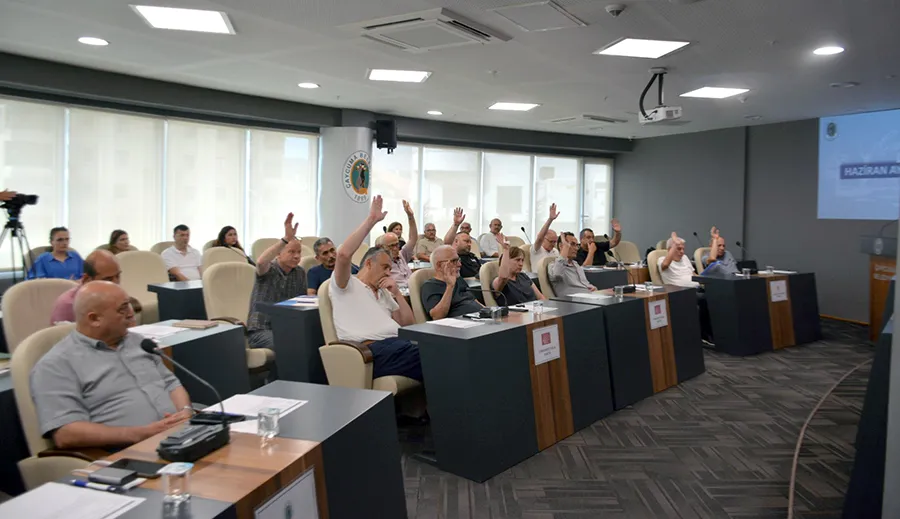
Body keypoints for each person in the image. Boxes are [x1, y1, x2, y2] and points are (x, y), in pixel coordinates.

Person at [30, 281, 191, 449]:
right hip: (128, 451)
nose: (131, 313)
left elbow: (172, 384)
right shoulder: (56, 365)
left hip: (181, 436)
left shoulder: (140, 343)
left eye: (129, 304)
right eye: (122, 309)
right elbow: (67, 433)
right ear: (95, 319)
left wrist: (185, 412)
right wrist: (141, 433)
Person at [330, 195, 422, 382]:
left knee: (444, 352)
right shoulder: (346, 285)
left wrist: (396, 293)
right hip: (372, 351)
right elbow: (343, 254)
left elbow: (409, 325)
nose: (389, 272)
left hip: (398, 345)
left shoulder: (384, 291)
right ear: (369, 264)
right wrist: (371, 220)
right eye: (385, 267)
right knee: (437, 356)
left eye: (390, 268)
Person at [246, 213, 307, 350]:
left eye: (299, 252)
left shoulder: (300, 272)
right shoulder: (269, 269)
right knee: (288, 344)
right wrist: (286, 239)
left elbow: (302, 302)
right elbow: (261, 262)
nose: (297, 256)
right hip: (261, 329)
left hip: (285, 327)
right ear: (279, 254)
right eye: (291, 252)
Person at [50, 250, 142, 325]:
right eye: (108, 279)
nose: (116, 284)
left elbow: (131, 330)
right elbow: (62, 343)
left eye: (118, 276)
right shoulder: (67, 305)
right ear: (87, 279)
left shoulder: (120, 299)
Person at [659, 232, 712, 343]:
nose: (682, 252)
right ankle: (704, 335)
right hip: (680, 292)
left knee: (716, 295)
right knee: (704, 299)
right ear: (670, 249)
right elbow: (665, 265)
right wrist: (675, 243)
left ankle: (716, 332)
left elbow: (694, 275)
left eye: (683, 249)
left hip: (696, 288)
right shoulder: (662, 260)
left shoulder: (685, 258)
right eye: (678, 248)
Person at [421, 245, 484, 319]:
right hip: (459, 325)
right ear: (439, 265)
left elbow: (474, 301)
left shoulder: (459, 279)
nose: (459, 264)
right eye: (454, 261)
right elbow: (437, 316)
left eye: (459, 260)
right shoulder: (430, 286)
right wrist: (450, 286)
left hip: (479, 318)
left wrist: (489, 312)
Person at [376, 200, 419, 288]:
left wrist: (410, 216)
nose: (396, 248)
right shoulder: (380, 263)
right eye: (391, 246)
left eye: (397, 244)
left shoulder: (402, 254)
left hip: (412, 290)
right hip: (397, 294)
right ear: (382, 247)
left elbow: (413, 238)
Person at [492, 235, 545, 305]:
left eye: (522, 260)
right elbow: (503, 277)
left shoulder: (524, 277)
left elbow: (540, 297)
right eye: (517, 260)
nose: (521, 264)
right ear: (506, 261)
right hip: (515, 314)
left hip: (534, 311)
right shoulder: (499, 281)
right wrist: (506, 249)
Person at [531, 204, 561, 270]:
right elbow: (539, 238)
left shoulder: (555, 251)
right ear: (544, 239)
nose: (553, 244)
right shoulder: (536, 249)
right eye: (551, 241)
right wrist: (550, 219)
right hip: (539, 278)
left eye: (555, 242)